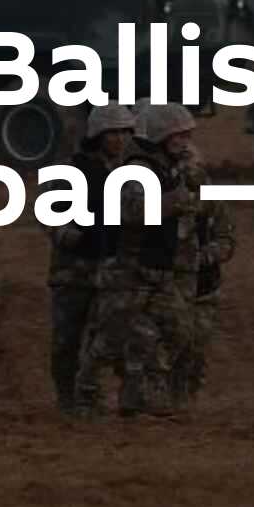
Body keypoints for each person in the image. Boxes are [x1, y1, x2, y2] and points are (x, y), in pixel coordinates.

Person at [74, 104, 201, 418]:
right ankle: (86, 394)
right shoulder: (137, 170)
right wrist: (176, 201)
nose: (184, 141)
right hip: (129, 270)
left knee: (179, 330)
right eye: (178, 135)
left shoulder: (170, 167)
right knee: (110, 339)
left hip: (158, 268)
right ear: (161, 135)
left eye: (187, 135)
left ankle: (138, 396)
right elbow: (133, 211)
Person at [48, 104, 135, 417]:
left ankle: (96, 396)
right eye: (113, 132)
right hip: (74, 270)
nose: (120, 139)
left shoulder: (131, 172)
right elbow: (51, 214)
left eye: (125, 132)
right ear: (97, 135)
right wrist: (70, 236)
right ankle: (67, 398)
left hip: (113, 268)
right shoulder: (73, 171)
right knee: (67, 338)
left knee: (110, 338)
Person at [172, 130, 234, 409]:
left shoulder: (212, 200)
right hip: (171, 286)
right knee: (170, 344)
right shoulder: (166, 200)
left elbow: (227, 239)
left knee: (197, 347)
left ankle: (187, 397)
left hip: (204, 286)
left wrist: (206, 255)